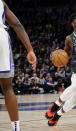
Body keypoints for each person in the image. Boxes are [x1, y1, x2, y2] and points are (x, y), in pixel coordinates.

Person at [0, 0, 36, 131]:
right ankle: (16, 128)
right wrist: (30, 50)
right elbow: (17, 25)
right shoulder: (1, 3)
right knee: (7, 88)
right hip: (1, 38)